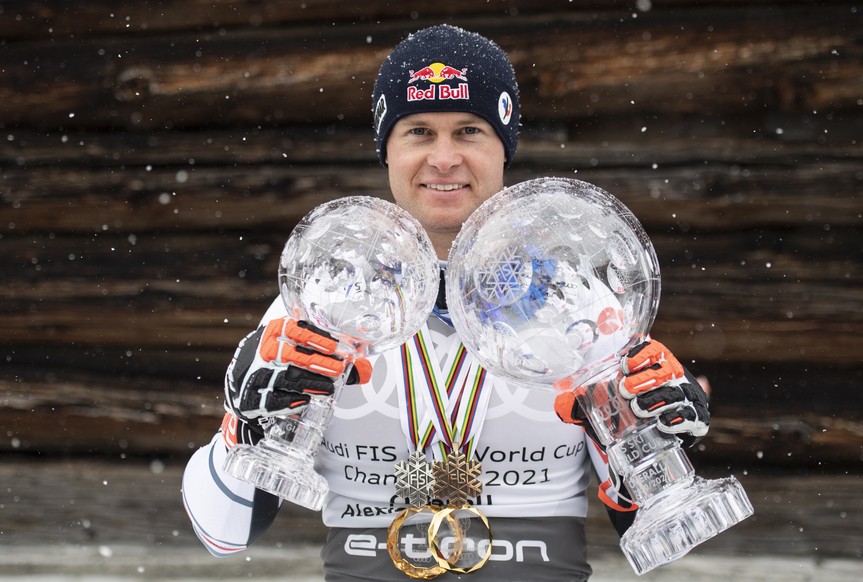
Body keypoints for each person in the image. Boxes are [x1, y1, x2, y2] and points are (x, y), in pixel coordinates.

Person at [182, 24, 711, 581]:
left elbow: (657, 532)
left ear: (503, 148)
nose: (443, 158)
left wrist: (660, 437)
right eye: (417, 131)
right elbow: (222, 533)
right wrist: (242, 427)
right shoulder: (322, 305)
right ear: (387, 149)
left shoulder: (576, 306)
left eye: (468, 130)